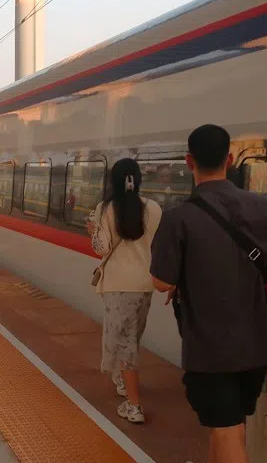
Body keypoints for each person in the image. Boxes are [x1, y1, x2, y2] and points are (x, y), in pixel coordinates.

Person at [150, 124, 267, 463]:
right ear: (230, 158)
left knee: (226, 429)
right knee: (232, 424)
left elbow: (162, 283)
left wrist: (182, 278)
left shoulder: (178, 219)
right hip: (257, 345)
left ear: (188, 161)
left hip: (211, 348)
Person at [86, 158, 162, 423]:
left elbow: (102, 248)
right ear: (137, 179)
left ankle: (134, 405)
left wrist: (93, 230)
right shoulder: (153, 208)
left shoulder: (104, 208)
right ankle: (122, 381)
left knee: (121, 339)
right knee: (133, 337)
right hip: (144, 284)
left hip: (117, 285)